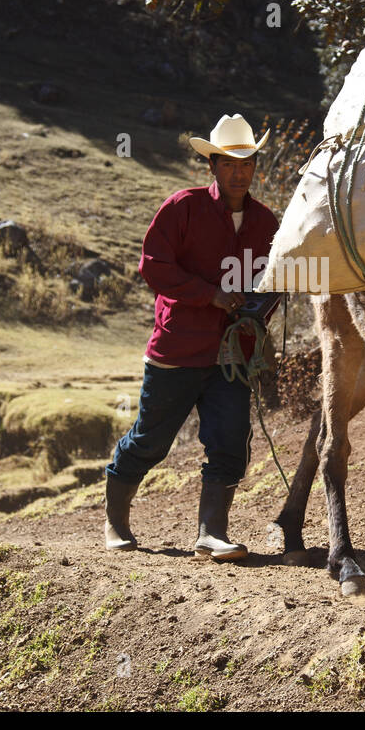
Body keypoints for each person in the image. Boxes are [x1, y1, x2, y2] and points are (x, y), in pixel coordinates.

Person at [104, 113, 279, 561]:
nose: (239, 173)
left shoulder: (266, 223)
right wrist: (210, 295)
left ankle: (211, 533)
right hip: (178, 348)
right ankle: (115, 523)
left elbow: (276, 279)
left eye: (247, 163)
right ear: (213, 167)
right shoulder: (181, 206)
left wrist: (259, 311)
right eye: (229, 164)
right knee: (151, 440)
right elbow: (153, 266)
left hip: (232, 356)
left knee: (230, 438)